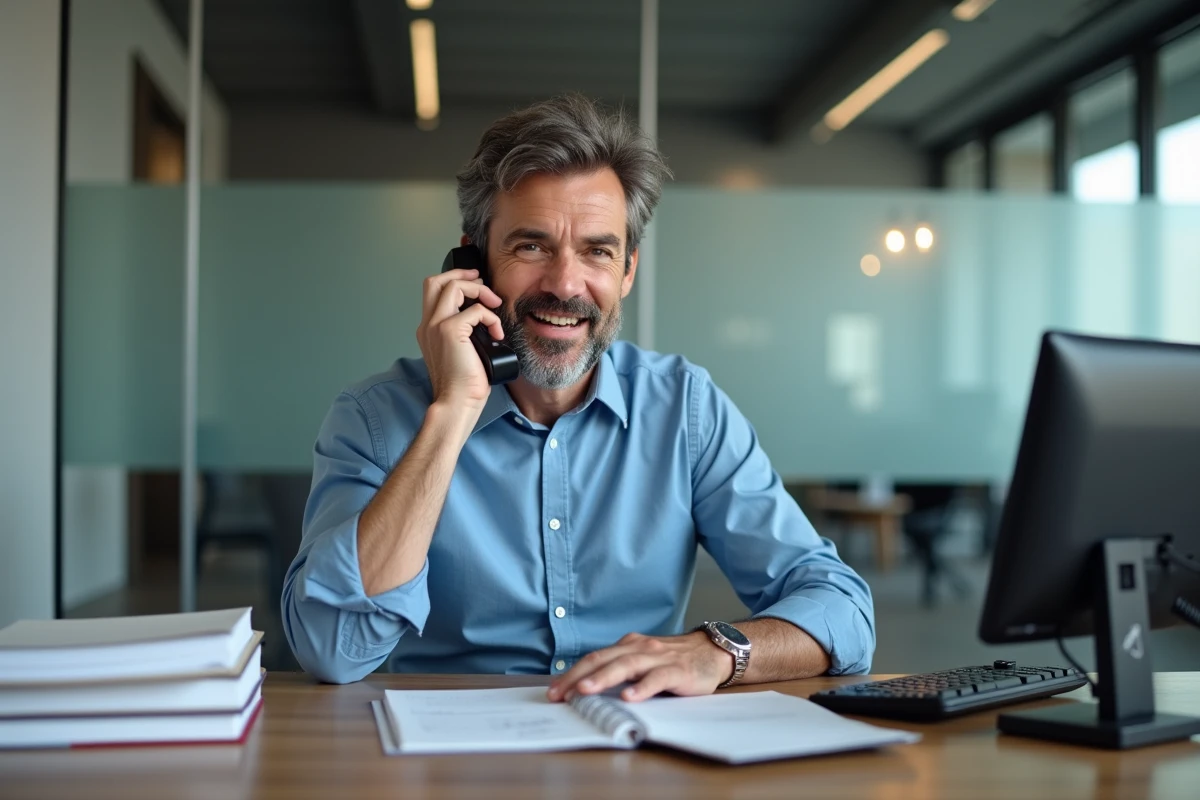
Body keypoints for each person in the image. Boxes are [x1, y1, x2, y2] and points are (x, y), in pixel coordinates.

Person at [281, 94, 875, 702]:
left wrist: (717, 652)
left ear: (627, 270)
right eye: (531, 246)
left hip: (634, 738)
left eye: (597, 250)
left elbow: (843, 611)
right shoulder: (375, 417)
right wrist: (452, 413)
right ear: (473, 263)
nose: (566, 283)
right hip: (450, 744)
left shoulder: (685, 410)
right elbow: (331, 648)